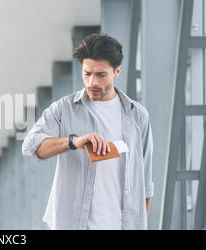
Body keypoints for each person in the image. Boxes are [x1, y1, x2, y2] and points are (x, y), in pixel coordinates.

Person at [22, 33, 154, 230]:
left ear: (117, 72)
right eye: (87, 73)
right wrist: (73, 142)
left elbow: (145, 184)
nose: (92, 82)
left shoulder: (138, 116)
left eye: (101, 75)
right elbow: (31, 146)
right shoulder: (64, 109)